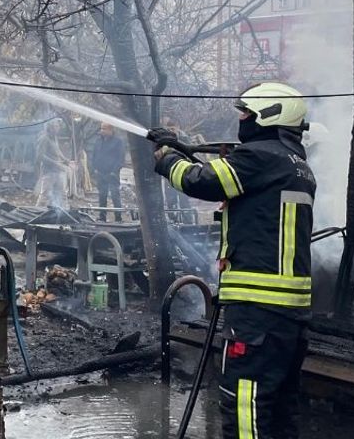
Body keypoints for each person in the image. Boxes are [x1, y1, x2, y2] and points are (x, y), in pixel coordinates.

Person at [148, 82, 316, 439]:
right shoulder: (295, 165)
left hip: (257, 313)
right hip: (288, 315)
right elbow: (230, 183)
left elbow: (201, 182)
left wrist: (167, 160)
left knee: (245, 405)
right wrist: (186, 150)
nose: (240, 119)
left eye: (245, 112)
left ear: (269, 115)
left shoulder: (260, 158)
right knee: (278, 410)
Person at [89, 123, 127, 221]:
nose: (102, 131)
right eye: (101, 128)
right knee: (102, 196)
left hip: (112, 174)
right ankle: (102, 217)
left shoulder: (118, 142)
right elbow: (94, 156)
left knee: (115, 195)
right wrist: (94, 169)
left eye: (104, 129)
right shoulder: (98, 141)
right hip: (100, 173)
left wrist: (114, 171)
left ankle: (118, 218)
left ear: (111, 130)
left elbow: (120, 159)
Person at [35, 119, 69, 209]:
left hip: (58, 171)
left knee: (62, 195)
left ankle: (63, 213)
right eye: (55, 127)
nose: (58, 129)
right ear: (50, 128)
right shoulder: (44, 138)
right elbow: (40, 156)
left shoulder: (54, 138)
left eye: (58, 126)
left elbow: (58, 151)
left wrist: (66, 160)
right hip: (48, 172)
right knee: (45, 195)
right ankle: (37, 213)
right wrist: (55, 163)